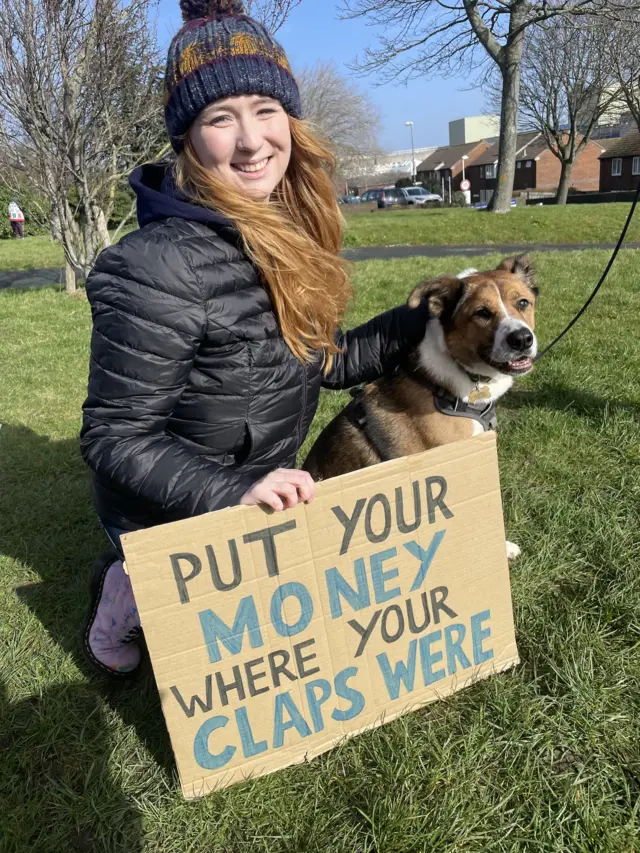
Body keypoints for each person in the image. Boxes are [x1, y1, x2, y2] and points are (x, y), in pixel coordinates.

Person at [80, 0, 429, 680]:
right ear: (186, 139)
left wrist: (422, 323)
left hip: (256, 485)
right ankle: (121, 590)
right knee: (184, 663)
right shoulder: (153, 266)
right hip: (173, 509)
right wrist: (232, 494)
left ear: (290, 119)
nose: (251, 140)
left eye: (266, 110)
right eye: (219, 117)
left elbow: (320, 360)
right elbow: (113, 437)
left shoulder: (285, 231)